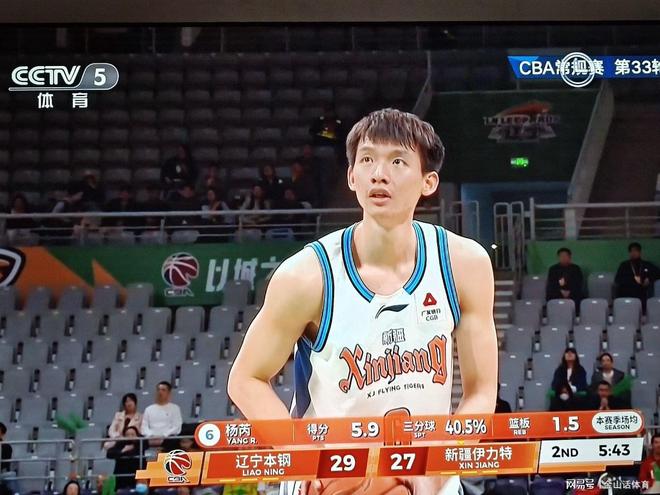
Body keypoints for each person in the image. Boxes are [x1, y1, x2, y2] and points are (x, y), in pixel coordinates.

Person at [228, 108, 498, 495]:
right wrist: (303, 456)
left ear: (428, 182)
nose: (379, 174)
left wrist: (436, 464)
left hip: (428, 475)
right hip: (332, 474)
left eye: (398, 161)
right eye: (367, 159)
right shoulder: (307, 275)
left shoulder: (463, 264)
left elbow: (482, 392)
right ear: (352, 176)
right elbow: (246, 378)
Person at [615, 242, 660, 312]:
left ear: (640, 252)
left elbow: (658, 273)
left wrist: (649, 279)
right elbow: (617, 279)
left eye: (635, 251)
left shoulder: (646, 265)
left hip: (642, 295)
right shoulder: (624, 265)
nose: (633, 253)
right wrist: (633, 281)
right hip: (627, 294)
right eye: (631, 251)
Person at [141, 381, 182, 447]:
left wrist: (164, 435)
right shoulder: (148, 409)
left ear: (169, 393)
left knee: (174, 441)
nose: (160, 392)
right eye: (158, 390)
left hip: (168, 438)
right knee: (139, 442)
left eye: (163, 390)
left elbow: (176, 427)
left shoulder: (175, 408)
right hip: (151, 438)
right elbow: (144, 427)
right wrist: (151, 436)